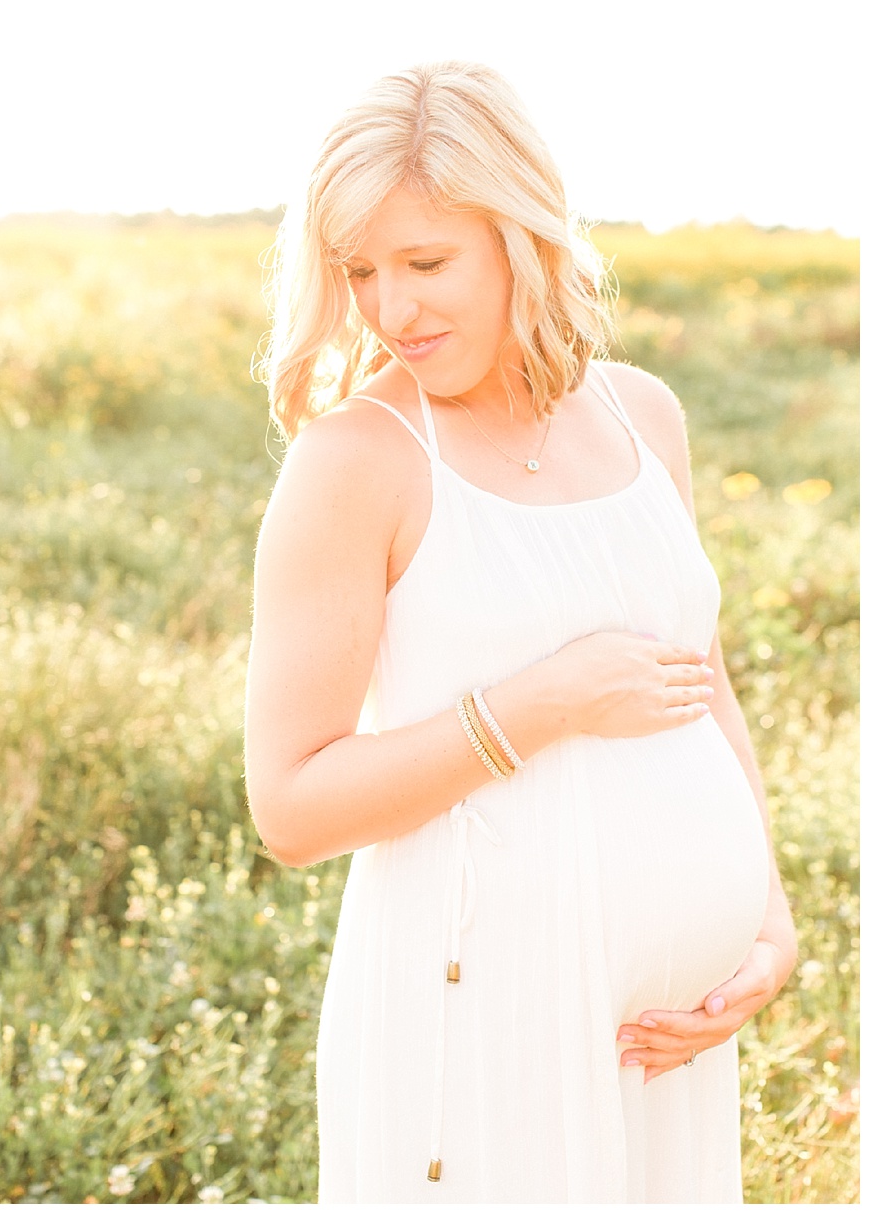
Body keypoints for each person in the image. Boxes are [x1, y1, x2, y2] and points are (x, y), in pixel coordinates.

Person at [243, 63, 794, 1202]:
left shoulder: (644, 414)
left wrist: (767, 925)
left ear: (520, 238)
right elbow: (290, 807)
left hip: (664, 1044)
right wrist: (542, 702)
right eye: (360, 272)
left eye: (426, 262)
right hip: (479, 1033)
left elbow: (704, 685)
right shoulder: (356, 463)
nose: (391, 310)